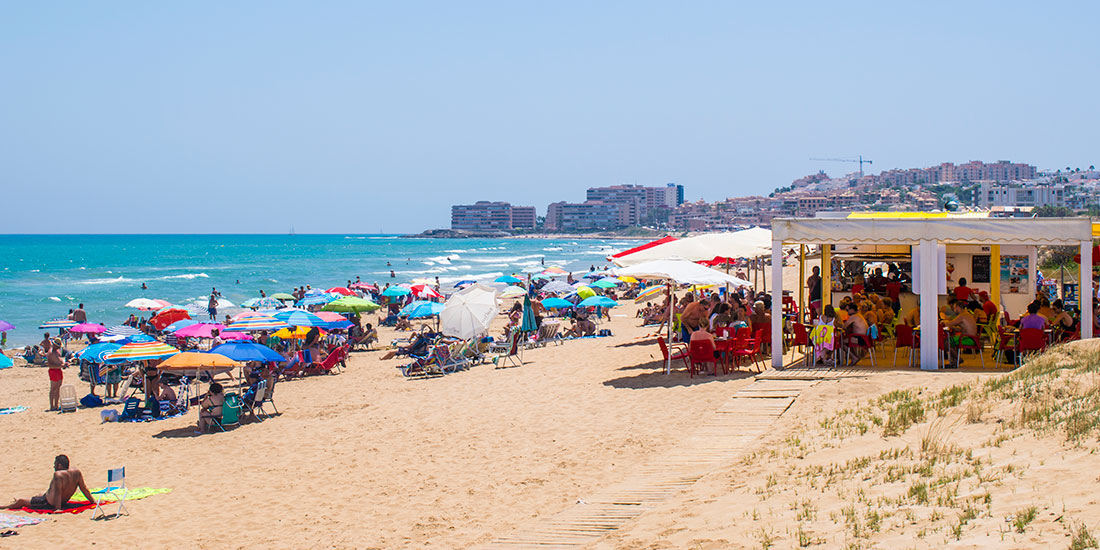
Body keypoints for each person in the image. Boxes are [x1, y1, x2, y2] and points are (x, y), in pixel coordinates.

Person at [3, 455, 94, 511]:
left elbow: (58, 493)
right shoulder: (76, 472)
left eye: (55, 464)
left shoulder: (58, 475)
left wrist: (57, 509)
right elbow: (83, 488)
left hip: (48, 503)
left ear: (59, 465)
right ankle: (30, 500)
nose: (53, 466)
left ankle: (5, 506)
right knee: (40, 494)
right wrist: (92, 501)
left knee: (21, 501)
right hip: (58, 500)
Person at [46, 339, 65, 411]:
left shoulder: (57, 351)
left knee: (58, 388)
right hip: (54, 370)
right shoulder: (50, 353)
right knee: (53, 388)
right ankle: (52, 405)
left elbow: (59, 360)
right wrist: (60, 366)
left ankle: (56, 405)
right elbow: (50, 365)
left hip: (58, 370)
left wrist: (63, 364)